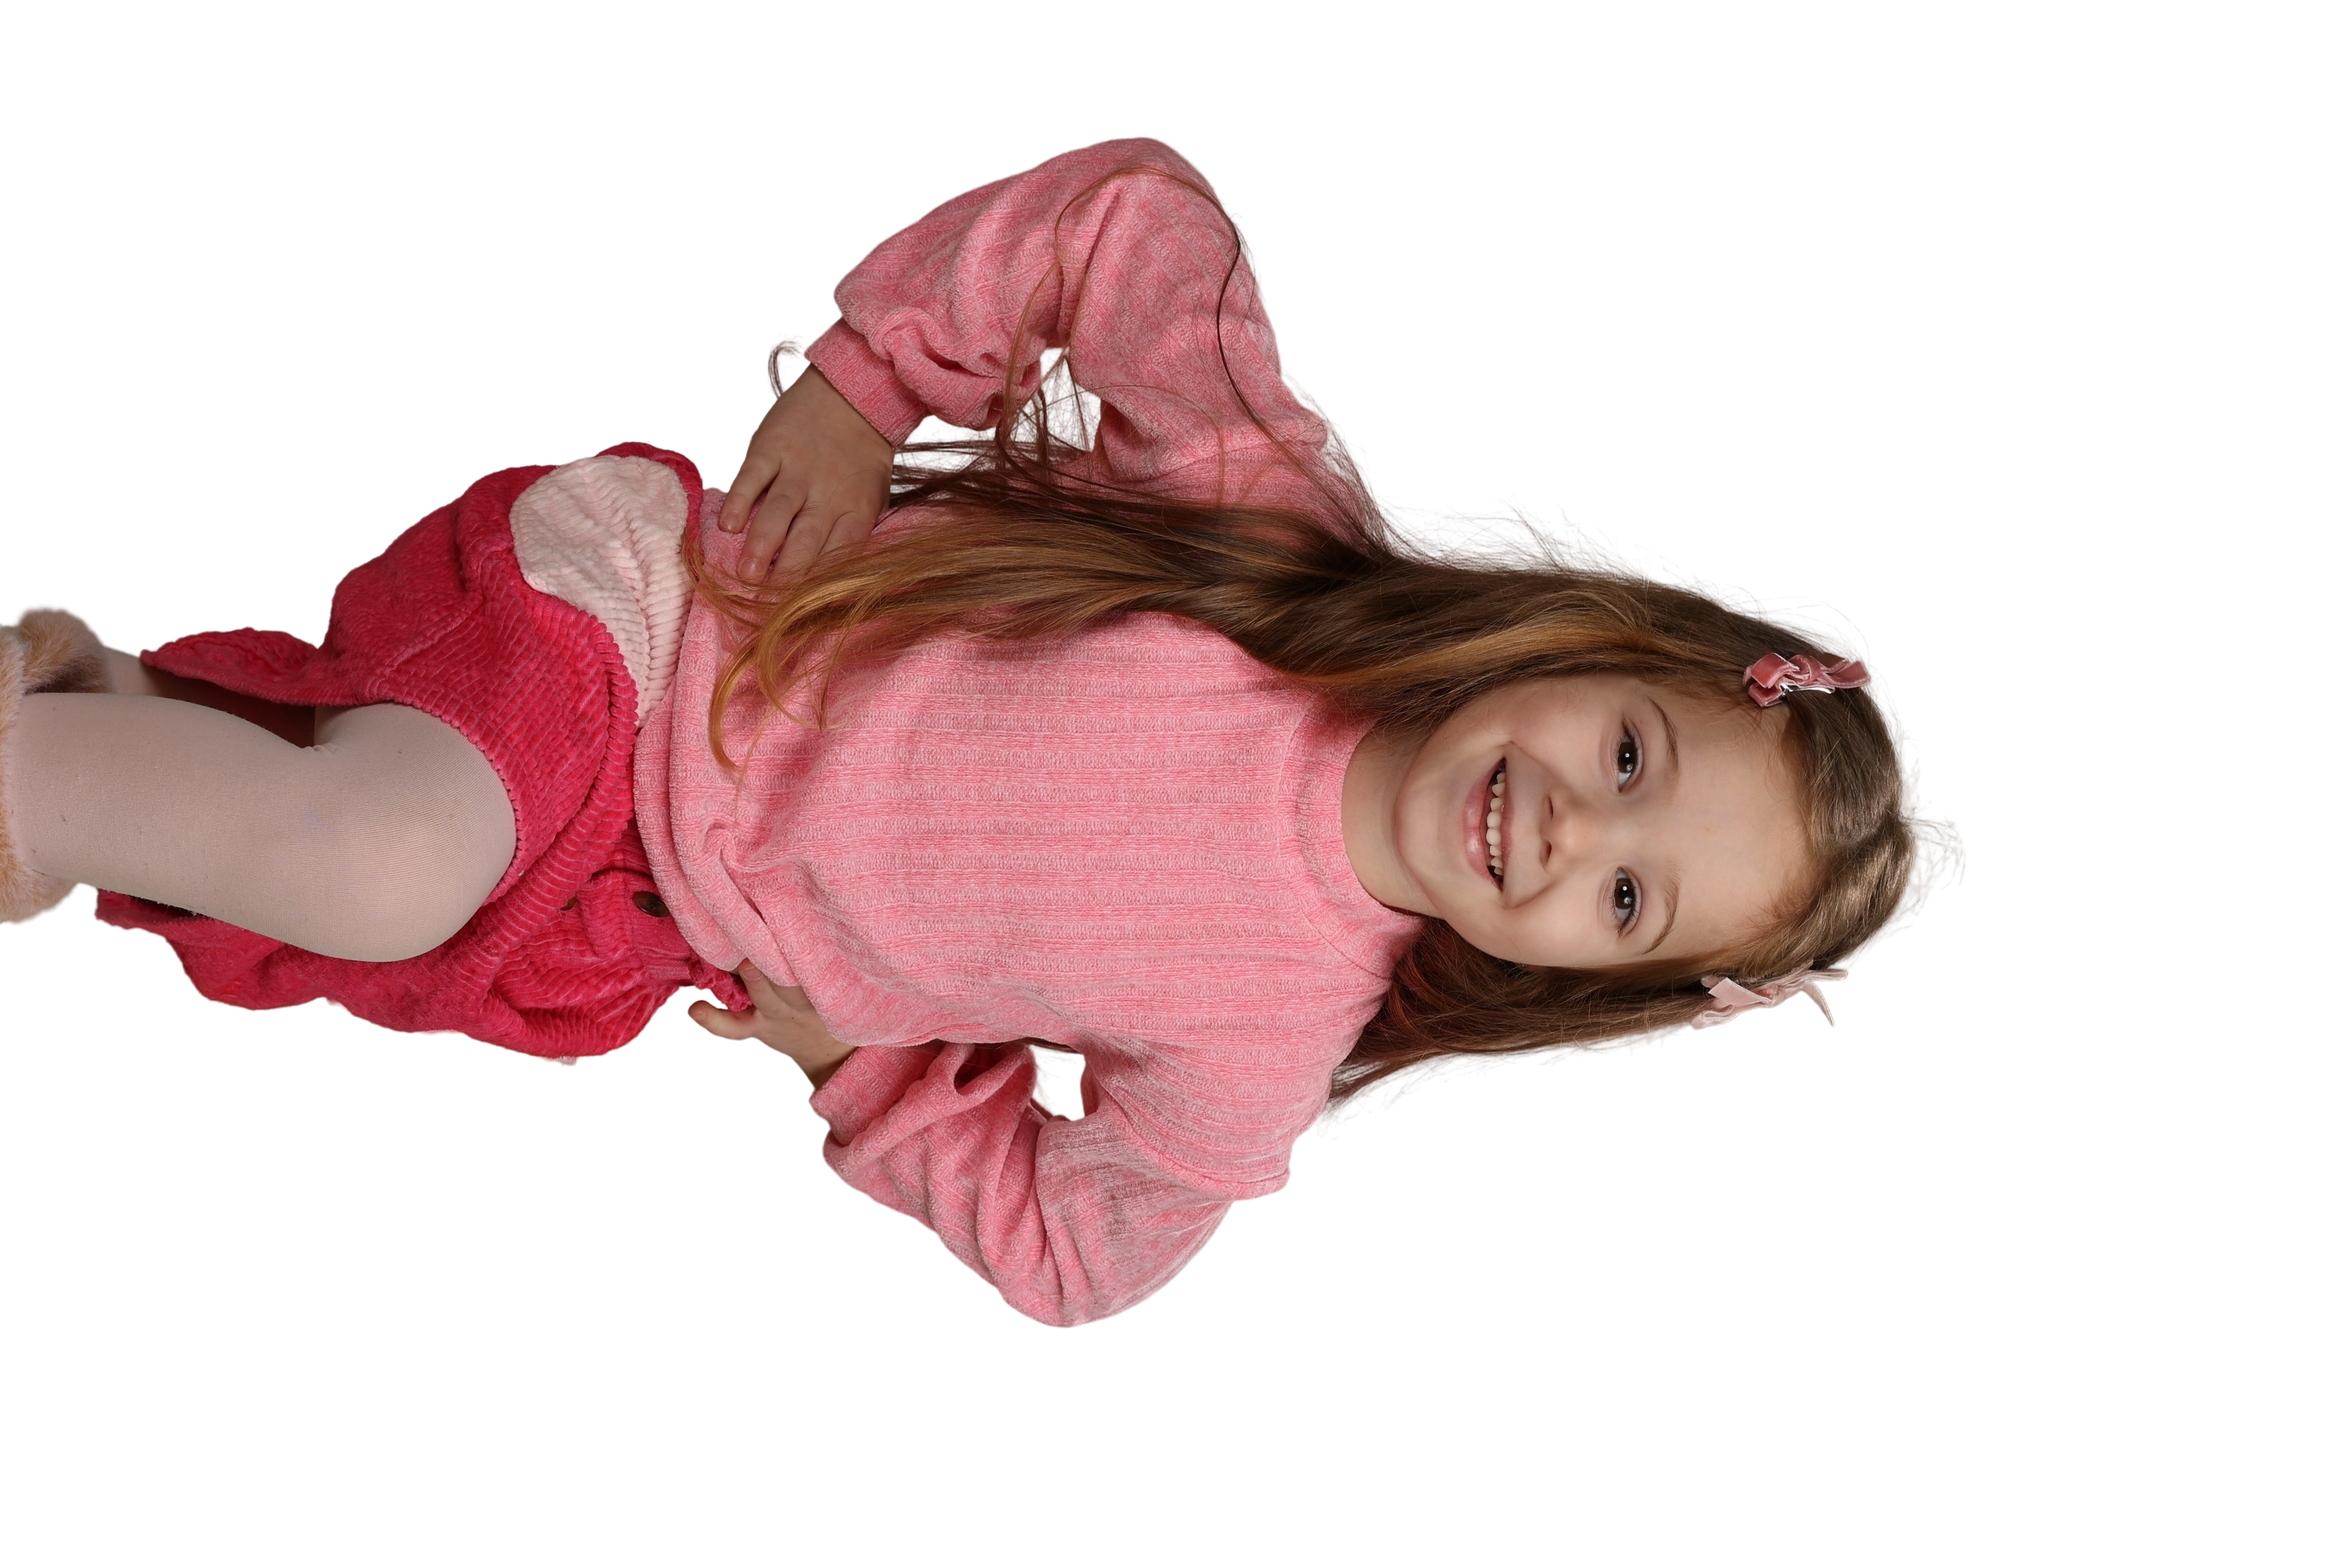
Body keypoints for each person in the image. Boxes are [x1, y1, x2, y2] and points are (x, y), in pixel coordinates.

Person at [0, 133, 1967, 1329]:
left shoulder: (1267, 1044)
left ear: (1583, 976)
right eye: (1630, 759)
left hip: (638, 906)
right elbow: (1130, 219)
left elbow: (1079, 1262)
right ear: (1606, 650)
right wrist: (867, 387)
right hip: (649, 633)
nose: (1567, 833)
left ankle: (94, 724)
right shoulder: (1275, 525)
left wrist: (880, 1084)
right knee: (376, 859)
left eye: (1629, 898)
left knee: (357, 889)